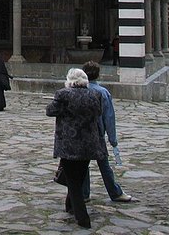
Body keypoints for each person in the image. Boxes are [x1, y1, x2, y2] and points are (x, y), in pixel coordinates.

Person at [46, 68, 106, 229]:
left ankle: (82, 217)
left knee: (72, 180)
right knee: (78, 177)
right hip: (88, 144)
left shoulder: (63, 95)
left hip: (69, 144)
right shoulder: (95, 94)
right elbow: (98, 112)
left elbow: (50, 111)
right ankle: (70, 205)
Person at [82, 61, 136, 203]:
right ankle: (115, 193)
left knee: (83, 165)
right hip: (97, 134)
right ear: (98, 74)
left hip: (82, 134)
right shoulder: (102, 92)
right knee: (104, 165)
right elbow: (109, 118)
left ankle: (84, 193)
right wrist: (113, 140)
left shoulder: (79, 91)